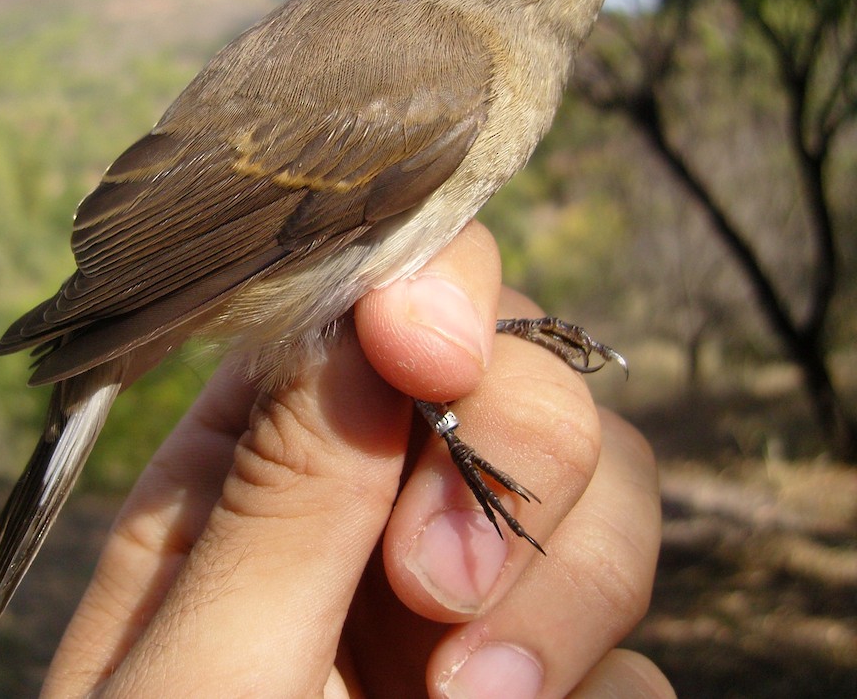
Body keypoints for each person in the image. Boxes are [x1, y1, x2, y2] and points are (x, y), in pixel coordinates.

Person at [40, 222, 673, 698]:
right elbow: (331, 316)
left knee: (410, 338)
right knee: (398, 342)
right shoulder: (466, 68)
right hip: (232, 258)